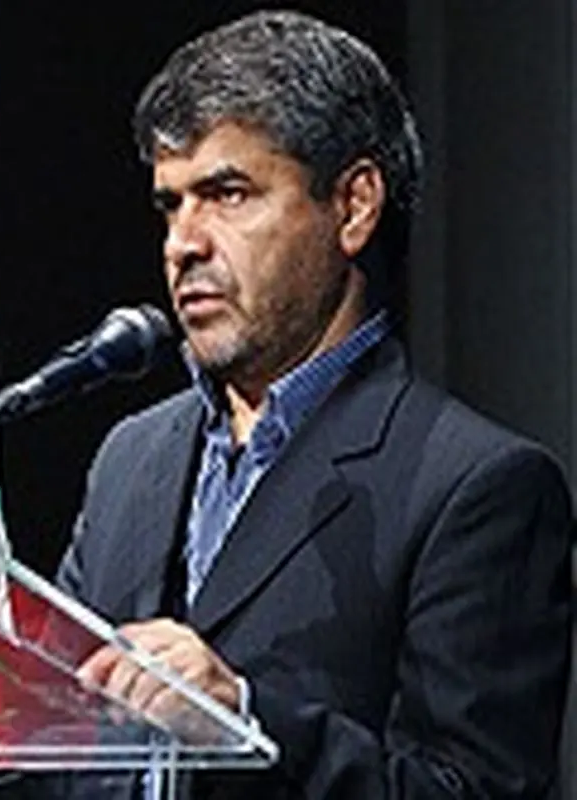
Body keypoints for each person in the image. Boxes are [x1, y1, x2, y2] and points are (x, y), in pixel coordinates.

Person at [54, 10, 573, 799]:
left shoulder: (475, 487)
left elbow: (475, 790)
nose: (183, 243)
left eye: (227, 194)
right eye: (170, 205)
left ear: (354, 206)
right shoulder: (131, 459)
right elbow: (59, 741)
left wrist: (244, 720)